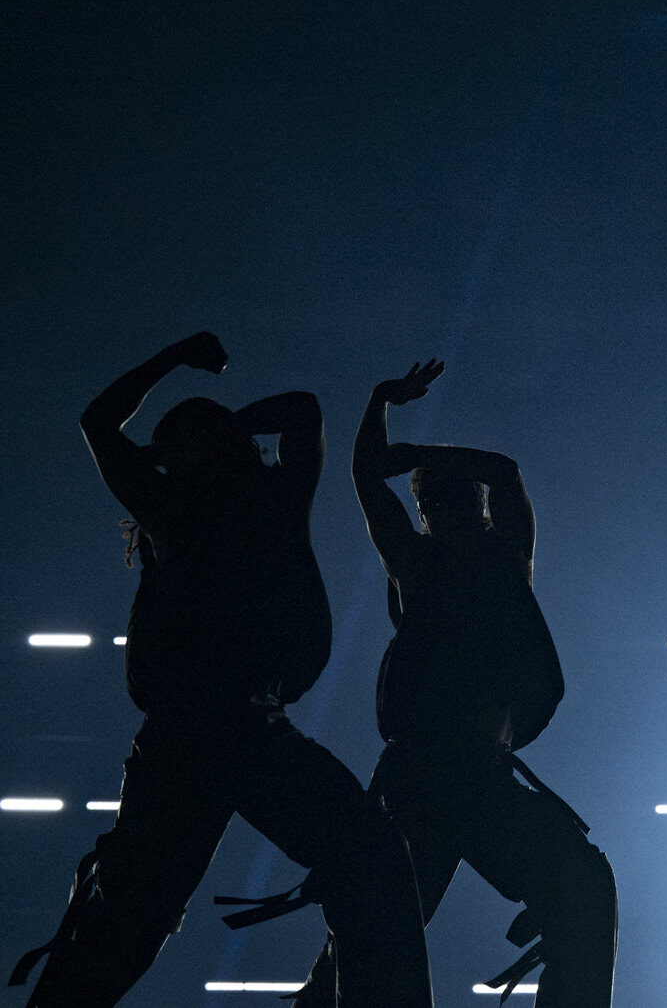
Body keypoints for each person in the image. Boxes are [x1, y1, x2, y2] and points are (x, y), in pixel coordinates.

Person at [9, 332, 431, 1007]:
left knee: (372, 859)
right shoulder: (175, 508)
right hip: (191, 740)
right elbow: (97, 423)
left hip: (251, 729)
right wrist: (172, 358)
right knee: (125, 931)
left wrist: (204, 408)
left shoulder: (273, 499)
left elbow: (303, 409)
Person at [293, 361, 616, 1008]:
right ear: (429, 511)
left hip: (472, 775)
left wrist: (405, 442)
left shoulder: (494, 560)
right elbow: (384, 475)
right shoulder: (428, 564)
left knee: (577, 885)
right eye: (436, 501)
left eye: (451, 497)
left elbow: (498, 471)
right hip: (429, 780)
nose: (446, 510)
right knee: (374, 933)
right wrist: (384, 408)